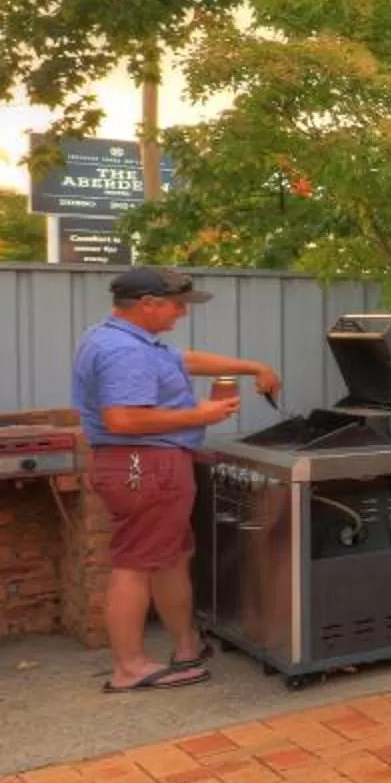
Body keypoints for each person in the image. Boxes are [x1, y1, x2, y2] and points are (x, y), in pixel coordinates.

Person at [72, 266, 278, 693]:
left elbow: (185, 359)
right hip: (142, 464)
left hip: (154, 463)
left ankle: (187, 645)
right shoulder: (124, 351)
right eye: (177, 305)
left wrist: (252, 366)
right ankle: (129, 668)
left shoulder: (125, 338)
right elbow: (123, 419)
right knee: (134, 564)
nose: (182, 313)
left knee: (171, 557)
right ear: (148, 304)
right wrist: (199, 415)